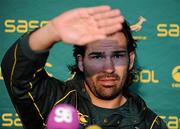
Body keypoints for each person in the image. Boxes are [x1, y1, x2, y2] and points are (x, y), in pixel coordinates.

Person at [1, 5, 167, 129]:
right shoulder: (55, 102)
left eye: (117, 56)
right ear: (81, 62)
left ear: (130, 60)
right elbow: (18, 75)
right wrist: (51, 32)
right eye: (97, 56)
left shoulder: (151, 124)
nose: (108, 68)